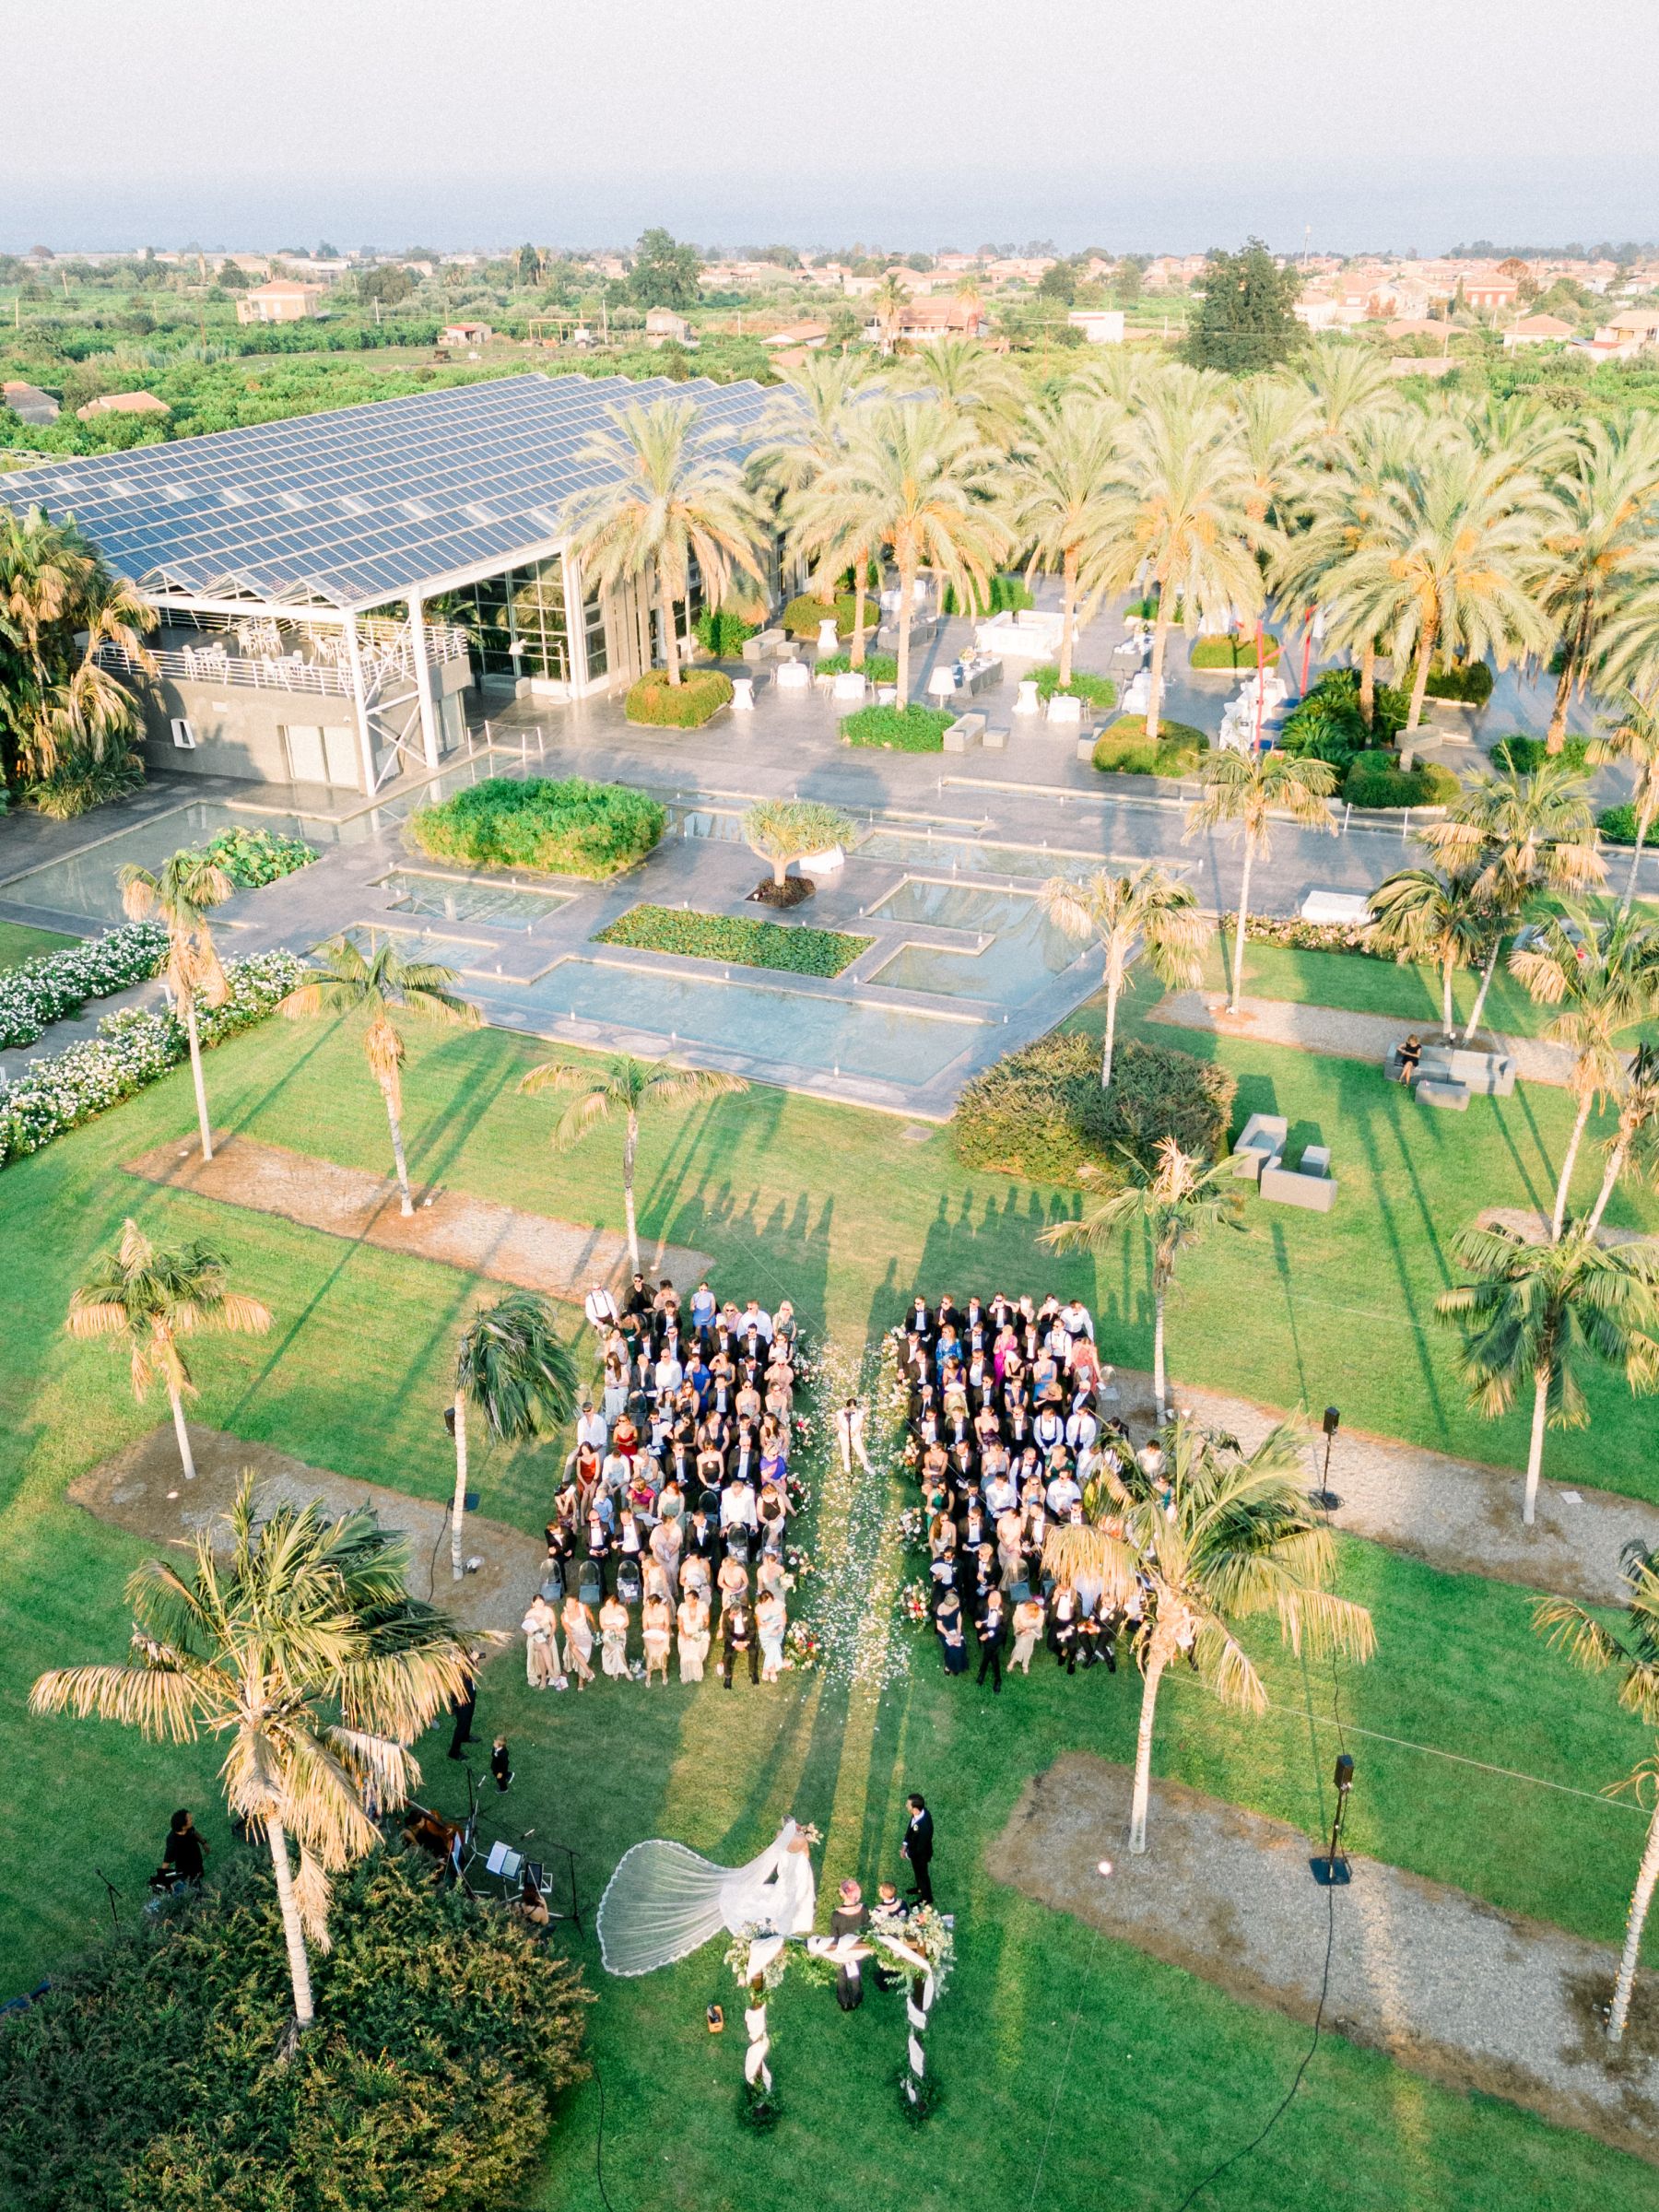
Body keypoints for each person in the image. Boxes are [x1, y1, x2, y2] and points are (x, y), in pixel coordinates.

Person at [830, 1877, 868, 2011]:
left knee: (841, 1974)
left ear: (843, 1894)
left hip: (841, 1949)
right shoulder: (864, 1909)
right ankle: (855, 1999)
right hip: (858, 1948)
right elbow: (867, 1928)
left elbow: (834, 1936)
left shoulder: (836, 1915)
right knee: (855, 1973)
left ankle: (844, 2001)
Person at [522, 1593, 563, 1690]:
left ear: (544, 1602)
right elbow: (525, 1628)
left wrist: (551, 1636)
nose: (540, 1605)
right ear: (533, 1603)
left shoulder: (548, 1611)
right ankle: (553, 1675)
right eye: (537, 1603)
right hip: (534, 1639)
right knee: (543, 1647)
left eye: (541, 1602)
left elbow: (554, 1624)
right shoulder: (529, 1614)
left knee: (542, 1652)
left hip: (547, 1635)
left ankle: (544, 1678)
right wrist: (529, 1633)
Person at [901, 1794, 935, 1905]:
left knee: (922, 1875)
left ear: (915, 1808)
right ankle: (920, 1889)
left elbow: (920, 1848)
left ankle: (927, 1898)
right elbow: (911, 1828)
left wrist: (907, 1854)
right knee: (918, 1873)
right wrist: (905, 1845)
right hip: (916, 1852)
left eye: (908, 1804)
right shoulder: (920, 1812)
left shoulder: (924, 1827)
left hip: (921, 1856)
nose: (906, 1805)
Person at [161, 1808, 207, 1888]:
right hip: (186, 1871)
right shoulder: (173, 1842)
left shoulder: (189, 1828)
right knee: (194, 1887)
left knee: (199, 1876)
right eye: (190, 1819)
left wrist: (204, 1843)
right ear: (183, 1827)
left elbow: (195, 1832)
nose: (192, 1819)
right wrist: (163, 1881)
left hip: (197, 1862)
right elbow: (166, 1863)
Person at [723, 1597, 759, 1688]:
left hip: (745, 1636)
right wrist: (735, 1643)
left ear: (739, 1611)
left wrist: (745, 1642)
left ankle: (752, 1672)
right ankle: (727, 1676)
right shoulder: (726, 1614)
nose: (731, 1616)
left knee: (753, 1651)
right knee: (727, 1654)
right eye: (731, 1613)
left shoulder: (748, 1613)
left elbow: (752, 1630)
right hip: (732, 1636)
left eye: (734, 1614)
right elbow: (725, 1631)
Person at [562, 1592, 596, 1688]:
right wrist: (573, 1642)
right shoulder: (564, 1615)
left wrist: (595, 1628)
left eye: (571, 1603)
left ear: (576, 1603)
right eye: (567, 1603)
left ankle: (581, 1679)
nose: (568, 1605)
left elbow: (590, 1616)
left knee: (580, 1656)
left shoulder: (583, 1607)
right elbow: (568, 1632)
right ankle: (588, 1672)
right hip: (573, 1636)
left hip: (585, 1635)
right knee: (575, 1649)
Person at [677, 1588, 712, 1683]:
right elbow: (680, 1624)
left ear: (696, 1600)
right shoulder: (682, 1607)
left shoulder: (703, 1606)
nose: (686, 1601)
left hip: (699, 1632)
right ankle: (686, 1674)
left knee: (696, 1654)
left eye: (689, 1599)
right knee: (685, 1655)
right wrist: (684, 1635)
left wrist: (698, 1634)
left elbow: (706, 1622)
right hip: (685, 1632)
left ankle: (696, 1673)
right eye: (686, 1599)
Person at [446, 1659, 477, 1760]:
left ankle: (465, 1736)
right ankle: (454, 1752)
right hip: (461, 1698)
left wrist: (472, 1660)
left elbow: (472, 1668)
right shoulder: (449, 1658)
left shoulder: (463, 1651)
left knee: (469, 1717)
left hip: (470, 1691)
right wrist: (469, 1660)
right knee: (462, 1724)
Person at [976, 1586, 1006, 1693]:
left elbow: (1003, 1628)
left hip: (998, 1634)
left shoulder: (1005, 1609)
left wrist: (988, 1635)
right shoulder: (982, 1605)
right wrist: (977, 1623)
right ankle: (997, 1678)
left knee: (989, 1650)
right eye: (990, 1600)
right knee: (992, 1654)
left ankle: (983, 1672)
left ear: (1000, 1600)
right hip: (985, 1630)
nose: (992, 1603)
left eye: (995, 1601)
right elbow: (977, 1617)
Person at [1010, 1590, 1045, 1676]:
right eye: (1025, 1612)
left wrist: (1029, 1631)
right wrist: (1022, 1628)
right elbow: (1015, 1621)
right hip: (1020, 1629)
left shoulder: (1040, 1613)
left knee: (1024, 1643)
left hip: (1032, 1631)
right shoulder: (1020, 1608)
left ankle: (1013, 1661)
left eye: (1028, 1614)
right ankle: (1024, 1664)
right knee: (1023, 1643)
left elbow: (1039, 1626)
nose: (1025, 1614)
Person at [641, 1589, 673, 1686]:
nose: (646, 1604)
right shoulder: (646, 1610)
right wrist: (650, 1637)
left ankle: (664, 1672)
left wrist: (660, 1636)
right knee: (651, 1653)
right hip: (650, 1633)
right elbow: (645, 1626)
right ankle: (649, 1673)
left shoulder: (664, 1609)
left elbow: (667, 1624)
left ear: (654, 1603)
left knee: (662, 1653)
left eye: (648, 1603)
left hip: (663, 1632)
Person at [757, 1587, 787, 1683]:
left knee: (773, 1643)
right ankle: (774, 1668)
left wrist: (779, 1629)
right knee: (774, 1644)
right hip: (765, 1632)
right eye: (767, 1603)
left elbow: (784, 1620)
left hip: (778, 1629)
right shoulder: (759, 1608)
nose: (770, 1604)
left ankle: (766, 1669)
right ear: (762, 1602)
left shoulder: (779, 1605)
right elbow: (758, 1622)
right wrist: (762, 1624)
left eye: (771, 1601)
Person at [835, 1396, 872, 1476]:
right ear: (847, 1407)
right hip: (844, 1435)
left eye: (854, 1408)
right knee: (845, 1450)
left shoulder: (859, 1413)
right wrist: (846, 1433)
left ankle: (866, 1465)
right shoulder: (841, 1413)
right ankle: (846, 1464)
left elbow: (860, 1425)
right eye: (850, 1408)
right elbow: (838, 1425)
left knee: (861, 1451)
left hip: (855, 1436)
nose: (852, 1410)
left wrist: (854, 1433)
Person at [599, 1593, 629, 1679]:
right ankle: (625, 1670)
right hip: (607, 1634)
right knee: (617, 1649)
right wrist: (613, 1626)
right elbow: (602, 1626)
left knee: (618, 1648)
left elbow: (627, 1622)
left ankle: (615, 1670)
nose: (607, 1606)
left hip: (619, 1632)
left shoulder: (621, 1609)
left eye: (610, 1604)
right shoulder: (603, 1611)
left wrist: (619, 1628)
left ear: (615, 1603)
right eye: (606, 1603)